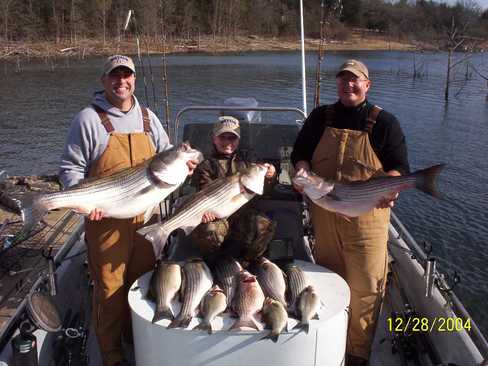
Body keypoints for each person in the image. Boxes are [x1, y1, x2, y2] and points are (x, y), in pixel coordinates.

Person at [58, 55, 197, 366]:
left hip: (146, 220)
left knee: (143, 282)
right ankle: (111, 353)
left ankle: (137, 336)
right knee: (109, 289)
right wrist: (83, 203)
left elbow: (165, 155)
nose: (121, 82)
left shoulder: (149, 118)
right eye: (114, 76)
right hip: (105, 219)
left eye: (127, 76)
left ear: (134, 79)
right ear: (104, 80)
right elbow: (70, 168)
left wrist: (184, 165)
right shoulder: (88, 119)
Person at [291, 59, 410, 366]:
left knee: (366, 288)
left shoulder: (385, 122)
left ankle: (357, 355)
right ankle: (330, 344)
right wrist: (302, 172)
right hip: (326, 216)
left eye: (355, 80)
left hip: (368, 219)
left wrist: (391, 189)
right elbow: (300, 154)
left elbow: (399, 167)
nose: (349, 85)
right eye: (344, 80)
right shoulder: (321, 116)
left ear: (367, 85)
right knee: (330, 281)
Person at [190, 115, 277, 263]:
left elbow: (265, 191)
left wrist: (270, 176)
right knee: (208, 230)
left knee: (264, 225)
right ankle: (213, 263)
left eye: (232, 138)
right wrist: (204, 213)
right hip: (218, 217)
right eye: (222, 137)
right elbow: (204, 194)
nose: (227, 142)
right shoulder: (205, 165)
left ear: (239, 139)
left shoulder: (249, 160)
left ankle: (248, 262)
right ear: (214, 138)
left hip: (244, 215)